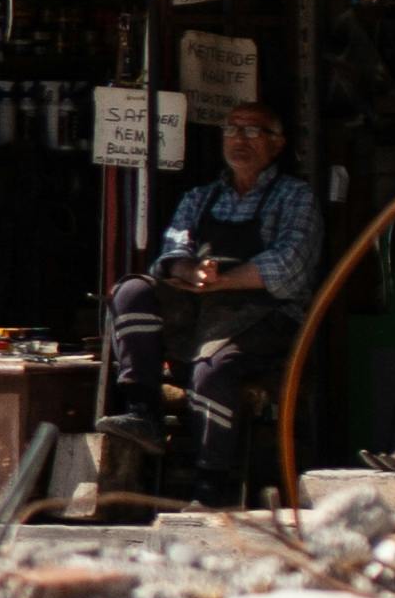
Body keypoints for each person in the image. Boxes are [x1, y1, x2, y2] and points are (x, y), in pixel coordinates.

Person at [98, 97, 322, 506]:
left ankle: (210, 483)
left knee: (212, 370)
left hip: (265, 316)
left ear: (277, 143)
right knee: (132, 291)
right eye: (233, 129)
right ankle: (143, 410)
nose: (241, 139)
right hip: (200, 308)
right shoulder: (202, 197)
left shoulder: (294, 196)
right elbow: (171, 251)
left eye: (254, 131)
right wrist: (188, 273)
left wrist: (223, 282)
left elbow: (292, 266)